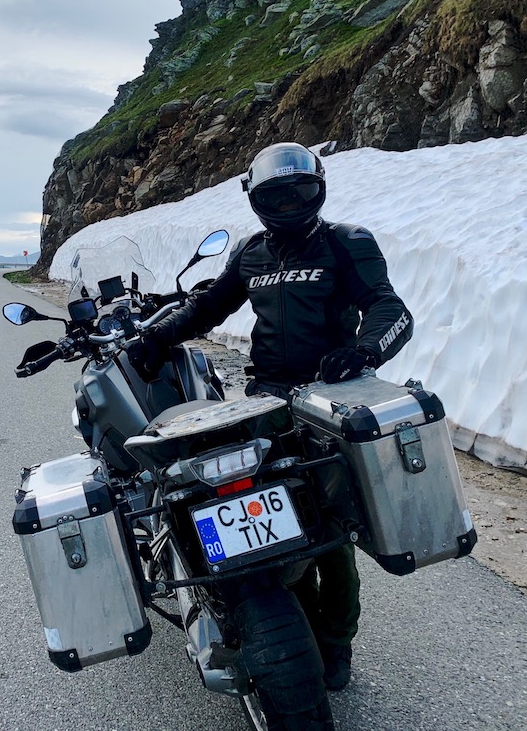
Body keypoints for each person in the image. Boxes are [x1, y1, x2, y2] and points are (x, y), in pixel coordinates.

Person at [128, 141, 414, 691]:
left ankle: (335, 644)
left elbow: (389, 306)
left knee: (330, 532)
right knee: (263, 515)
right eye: (274, 197)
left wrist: (366, 350)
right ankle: (282, 623)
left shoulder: (346, 243)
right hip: (263, 402)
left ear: (318, 189)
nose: (287, 205)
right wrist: (159, 337)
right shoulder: (252, 252)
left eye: (298, 192)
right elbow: (210, 307)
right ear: (257, 200)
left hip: (326, 404)